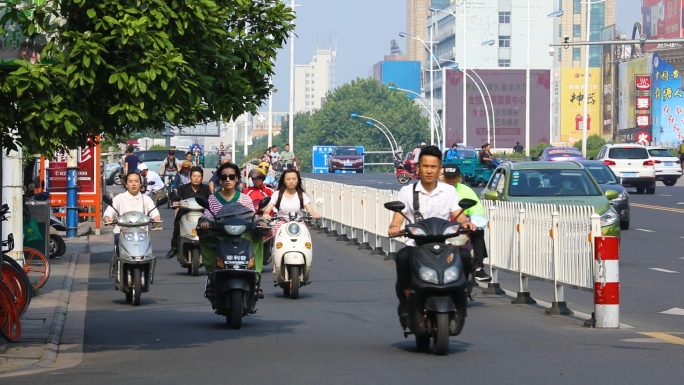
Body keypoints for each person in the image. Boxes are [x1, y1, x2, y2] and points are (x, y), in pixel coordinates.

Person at [387, 145, 476, 325]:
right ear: (418, 167)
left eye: (433, 167)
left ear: (439, 168)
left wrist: (466, 222)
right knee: (402, 258)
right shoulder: (407, 192)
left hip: (444, 245)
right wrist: (394, 227)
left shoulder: (449, 191)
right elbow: (397, 217)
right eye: (425, 166)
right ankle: (406, 303)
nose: (429, 171)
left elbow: (458, 213)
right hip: (416, 246)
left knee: (465, 257)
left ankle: (461, 295)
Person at [198, 162, 266, 279]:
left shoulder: (245, 198)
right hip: (220, 236)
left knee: (258, 236)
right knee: (203, 236)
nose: (228, 180)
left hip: (243, 236)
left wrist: (260, 222)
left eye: (232, 177)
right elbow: (208, 215)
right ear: (220, 180)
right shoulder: (213, 198)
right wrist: (205, 222)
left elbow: (252, 216)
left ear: (237, 179)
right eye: (224, 177)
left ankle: (255, 277)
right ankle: (212, 274)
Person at [442, 165, 491, 282]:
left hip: (461, 224)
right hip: (441, 225)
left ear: (459, 177)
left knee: (478, 231)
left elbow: (476, 208)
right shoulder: (437, 190)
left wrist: (475, 221)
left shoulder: (466, 190)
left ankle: (478, 267)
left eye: (453, 177)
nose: (450, 180)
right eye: (448, 177)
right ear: (443, 177)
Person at [103, 172, 162, 247]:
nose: (133, 184)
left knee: (148, 253)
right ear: (126, 184)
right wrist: (108, 217)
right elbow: (110, 211)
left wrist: (156, 216)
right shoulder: (119, 198)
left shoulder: (146, 199)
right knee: (119, 250)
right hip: (122, 233)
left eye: (136, 181)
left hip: (142, 234)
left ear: (140, 184)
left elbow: (153, 211)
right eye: (130, 182)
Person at [166, 166, 211, 258]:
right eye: (194, 176)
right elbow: (176, 198)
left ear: (202, 178)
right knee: (178, 224)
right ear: (190, 177)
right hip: (185, 214)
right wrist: (175, 201)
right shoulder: (183, 188)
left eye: (198, 176)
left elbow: (211, 200)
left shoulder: (206, 189)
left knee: (212, 226)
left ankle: (210, 248)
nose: (196, 178)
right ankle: (174, 247)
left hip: (202, 215)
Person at [263, 169, 320, 235]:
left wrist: (314, 214)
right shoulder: (277, 194)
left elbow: (309, 209)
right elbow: (269, 207)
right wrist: (266, 214)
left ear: (298, 180)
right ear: (284, 181)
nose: (291, 181)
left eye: (294, 179)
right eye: (288, 179)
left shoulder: (302, 195)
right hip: (282, 223)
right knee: (275, 237)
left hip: (298, 223)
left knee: (306, 238)